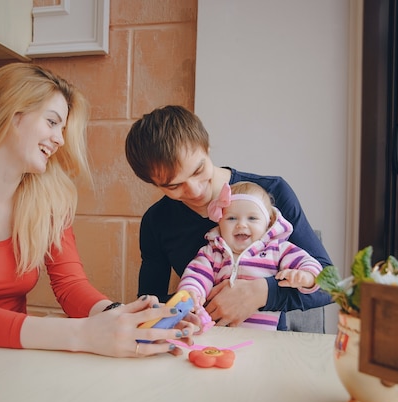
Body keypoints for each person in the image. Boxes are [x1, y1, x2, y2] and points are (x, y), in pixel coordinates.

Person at [0, 63, 193, 381]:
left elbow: (71, 286)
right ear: (11, 112)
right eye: (52, 122)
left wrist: (123, 316)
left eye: (63, 129)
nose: (59, 140)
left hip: (5, 367)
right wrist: (83, 334)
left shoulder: (49, 198)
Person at [124, 105, 333, 330]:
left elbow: (331, 286)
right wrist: (187, 305)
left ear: (207, 147)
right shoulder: (157, 221)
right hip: (202, 344)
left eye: (198, 170)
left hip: (267, 346)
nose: (195, 191)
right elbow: (150, 303)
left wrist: (262, 293)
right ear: (154, 184)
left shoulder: (272, 193)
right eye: (174, 185)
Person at [178, 181, 323, 331]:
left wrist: (306, 276)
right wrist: (191, 293)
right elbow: (196, 276)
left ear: (268, 224)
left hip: (264, 338)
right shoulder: (212, 252)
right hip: (219, 334)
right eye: (232, 218)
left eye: (252, 218)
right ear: (219, 223)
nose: (241, 224)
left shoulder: (277, 250)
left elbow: (310, 263)